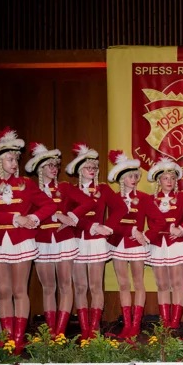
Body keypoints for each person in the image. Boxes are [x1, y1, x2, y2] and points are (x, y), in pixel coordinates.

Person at [0, 128, 56, 353]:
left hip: (21, 242)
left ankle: (19, 340)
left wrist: (33, 218)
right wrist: (15, 218)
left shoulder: (26, 184)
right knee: (3, 291)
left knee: (20, 290)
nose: (15, 163)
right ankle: (7, 338)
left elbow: (49, 205)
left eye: (16, 159)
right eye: (10, 159)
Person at [104, 150, 165, 339]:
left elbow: (160, 220)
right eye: (130, 176)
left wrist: (147, 235)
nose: (134, 179)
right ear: (121, 178)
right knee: (123, 284)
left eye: (136, 176)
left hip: (137, 246)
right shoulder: (114, 197)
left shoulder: (145, 198)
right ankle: (127, 325)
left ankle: (136, 325)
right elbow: (111, 224)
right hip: (118, 244)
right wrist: (131, 230)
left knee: (138, 283)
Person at [24, 142, 81, 339]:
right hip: (42, 241)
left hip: (64, 240)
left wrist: (72, 217)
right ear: (40, 167)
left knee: (65, 285)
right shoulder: (31, 189)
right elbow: (27, 213)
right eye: (50, 165)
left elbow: (88, 202)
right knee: (48, 288)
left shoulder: (64, 187)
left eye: (56, 165)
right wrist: (57, 215)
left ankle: (60, 332)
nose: (54, 168)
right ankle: (50, 333)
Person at [63, 143, 114, 339]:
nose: (91, 170)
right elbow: (67, 216)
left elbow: (120, 209)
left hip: (96, 242)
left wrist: (107, 227)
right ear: (79, 170)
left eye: (94, 167)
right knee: (80, 287)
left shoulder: (103, 189)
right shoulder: (70, 190)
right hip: (76, 241)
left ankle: (94, 329)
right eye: (87, 167)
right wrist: (91, 225)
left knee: (95, 286)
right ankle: (84, 329)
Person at [145, 157, 183, 329]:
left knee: (176, 284)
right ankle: (165, 322)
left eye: (172, 178)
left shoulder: (182, 197)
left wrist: (182, 228)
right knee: (162, 285)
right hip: (157, 244)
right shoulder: (150, 199)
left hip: (177, 244)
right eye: (165, 178)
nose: (169, 181)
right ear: (159, 180)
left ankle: (175, 322)